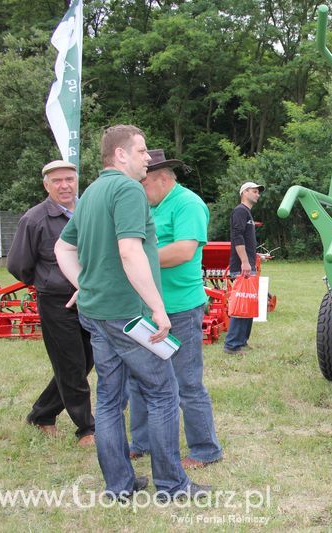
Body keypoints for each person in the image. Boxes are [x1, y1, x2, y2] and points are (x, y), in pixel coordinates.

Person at [55, 125, 208, 500]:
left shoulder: (91, 192)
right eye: (141, 151)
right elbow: (129, 251)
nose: (146, 158)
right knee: (163, 394)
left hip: (97, 314)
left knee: (108, 399)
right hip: (129, 315)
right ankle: (172, 485)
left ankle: (119, 485)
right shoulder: (127, 190)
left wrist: (84, 285)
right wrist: (157, 307)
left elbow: (63, 247)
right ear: (120, 154)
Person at [129, 149, 223, 469]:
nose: (140, 190)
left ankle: (206, 449)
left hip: (180, 308)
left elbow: (184, 251)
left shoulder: (188, 204)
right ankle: (141, 442)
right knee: (140, 377)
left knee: (186, 381)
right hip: (147, 306)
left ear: (162, 178)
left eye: (143, 183)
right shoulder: (148, 205)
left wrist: (137, 261)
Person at [7, 160, 95, 446]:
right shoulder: (34, 219)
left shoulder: (88, 211)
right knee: (71, 364)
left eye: (69, 179)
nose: (64, 185)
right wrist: (49, 282)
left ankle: (42, 414)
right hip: (57, 302)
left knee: (86, 360)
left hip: (91, 297)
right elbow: (18, 264)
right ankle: (86, 429)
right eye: (57, 181)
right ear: (46, 185)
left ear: (77, 181)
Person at [223, 181, 263, 355]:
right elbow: (237, 237)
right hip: (243, 266)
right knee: (241, 303)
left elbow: (246, 240)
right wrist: (245, 262)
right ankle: (232, 345)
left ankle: (242, 342)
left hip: (248, 264)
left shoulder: (247, 213)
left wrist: (255, 255)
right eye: (254, 191)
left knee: (249, 303)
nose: (257, 194)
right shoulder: (240, 211)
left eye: (258, 192)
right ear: (244, 192)